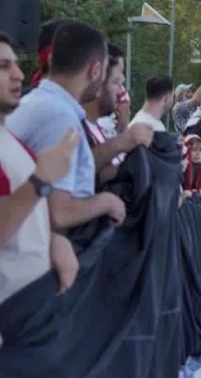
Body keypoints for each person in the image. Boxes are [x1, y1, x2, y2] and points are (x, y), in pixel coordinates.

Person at [6, 21, 126, 229]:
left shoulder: (44, 104)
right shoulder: (58, 117)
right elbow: (58, 214)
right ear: (95, 70)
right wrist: (106, 202)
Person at [0, 31, 82, 305]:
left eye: (15, 64)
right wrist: (40, 179)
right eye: (4, 66)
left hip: (32, 305)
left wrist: (54, 239)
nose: (19, 75)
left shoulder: (11, 142)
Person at [82, 47, 154, 183]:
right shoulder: (72, 125)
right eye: (116, 82)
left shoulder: (94, 126)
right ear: (97, 82)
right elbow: (76, 172)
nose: (121, 92)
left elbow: (101, 175)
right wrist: (123, 141)